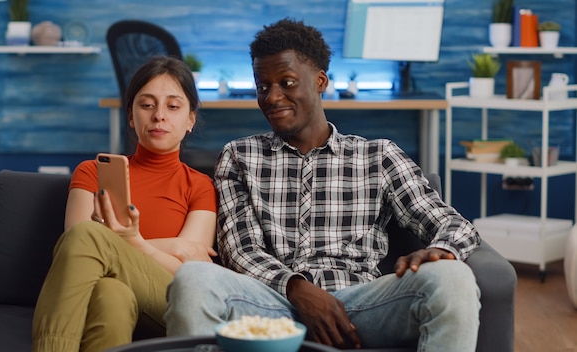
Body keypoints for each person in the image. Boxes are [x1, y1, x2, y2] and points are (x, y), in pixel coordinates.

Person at [164, 18, 482, 351]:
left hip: (361, 307)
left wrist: (442, 250)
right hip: (269, 304)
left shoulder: (378, 155)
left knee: (453, 277)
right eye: (262, 86)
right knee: (193, 278)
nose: (272, 97)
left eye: (286, 82)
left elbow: (453, 224)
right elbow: (241, 252)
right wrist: (300, 291)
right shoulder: (239, 156)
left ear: (320, 82)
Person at [32, 56, 218, 352]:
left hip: (168, 301)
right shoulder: (91, 172)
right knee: (111, 292)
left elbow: (189, 273)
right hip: (103, 292)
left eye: (173, 106)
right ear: (131, 116)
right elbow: (75, 251)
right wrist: (171, 245)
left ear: (190, 120)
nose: (159, 116)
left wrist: (135, 241)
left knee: (90, 236)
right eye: (147, 105)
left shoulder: (201, 186)